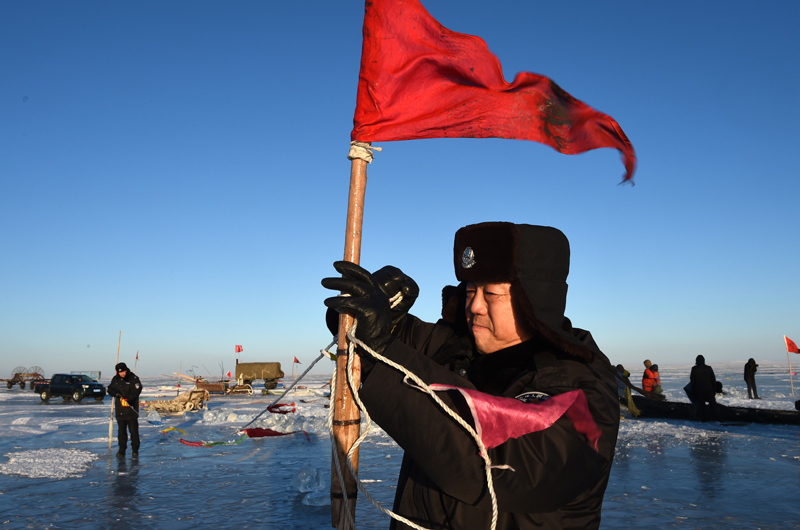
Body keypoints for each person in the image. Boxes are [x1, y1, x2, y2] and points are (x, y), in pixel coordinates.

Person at [323, 222, 620, 530]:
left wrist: (381, 349)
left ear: (534, 299)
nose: (475, 306)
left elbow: (498, 465)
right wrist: (372, 310)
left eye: (491, 292)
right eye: (470, 290)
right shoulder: (456, 346)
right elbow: (372, 337)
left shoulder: (578, 388)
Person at [107, 362, 143, 458]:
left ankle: (135, 450)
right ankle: (122, 449)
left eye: (123, 371)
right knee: (121, 433)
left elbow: (137, 390)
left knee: (133, 431)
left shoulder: (133, 378)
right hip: (120, 410)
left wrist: (128, 399)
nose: (122, 374)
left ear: (126, 370)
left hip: (131, 410)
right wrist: (115, 393)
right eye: (120, 372)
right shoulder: (115, 379)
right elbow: (110, 389)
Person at [689, 355, 719, 421]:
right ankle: (717, 417)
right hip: (709, 389)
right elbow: (713, 380)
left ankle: (704, 418)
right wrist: (714, 389)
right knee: (713, 404)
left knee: (702, 405)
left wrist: (693, 391)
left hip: (699, 390)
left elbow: (692, 381)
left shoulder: (694, 369)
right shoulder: (708, 368)